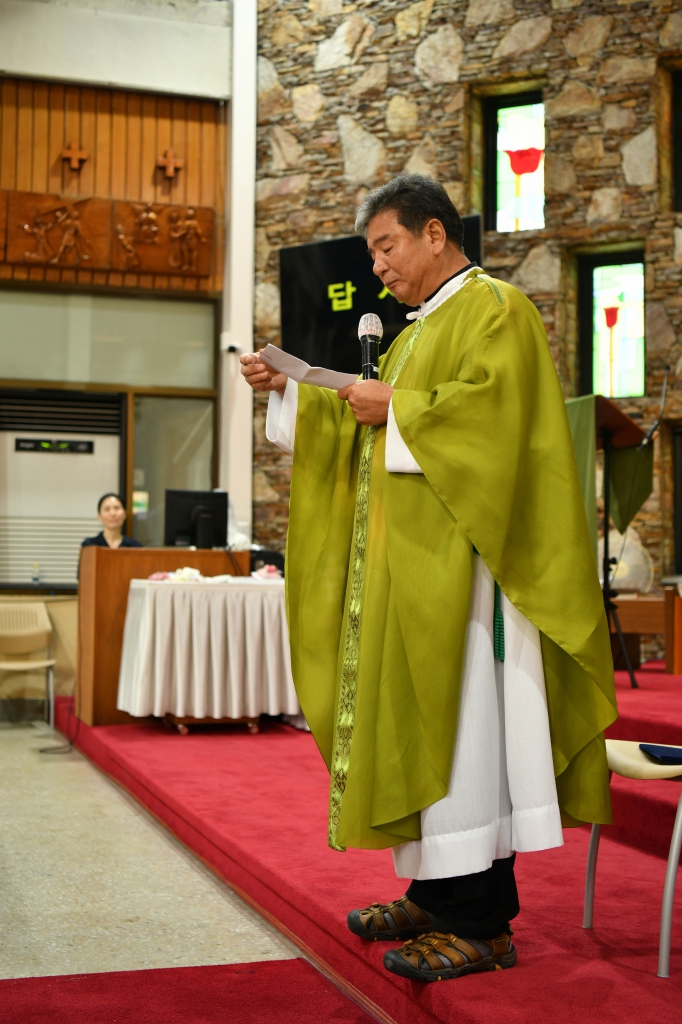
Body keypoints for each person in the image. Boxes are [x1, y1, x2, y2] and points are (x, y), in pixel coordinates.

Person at [240, 175, 617, 983]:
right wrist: (296, 392)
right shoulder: (416, 332)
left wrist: (401, 408)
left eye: (388, 246)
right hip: (412, 571)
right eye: (373, 253)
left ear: (436, 234)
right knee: (422, 728)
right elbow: (371, 419)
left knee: (465, 732)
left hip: (469, 578)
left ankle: (481, 922)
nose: (378, 267)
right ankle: (435, 892)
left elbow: (495, 420)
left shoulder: (496, 309)